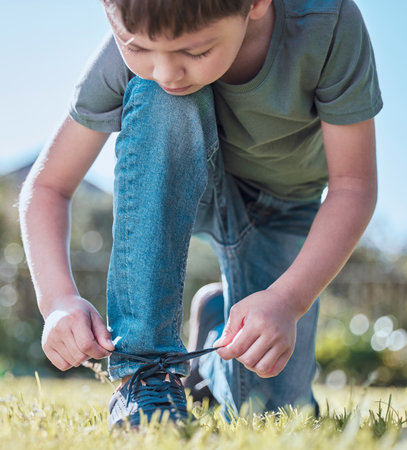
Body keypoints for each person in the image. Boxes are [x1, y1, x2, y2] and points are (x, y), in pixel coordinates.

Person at [19, 0, 382, 428]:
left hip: (283, 207)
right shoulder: (141, 41)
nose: (166, 70)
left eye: (195, 52)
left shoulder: (329, 25)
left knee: (273, 408)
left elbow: (354, 187)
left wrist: (287, 301)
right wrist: (57, 300)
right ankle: (146, 370)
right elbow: (47, 186)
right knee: (161, 97)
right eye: (137, 48)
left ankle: (215, 327)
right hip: (193, 180)